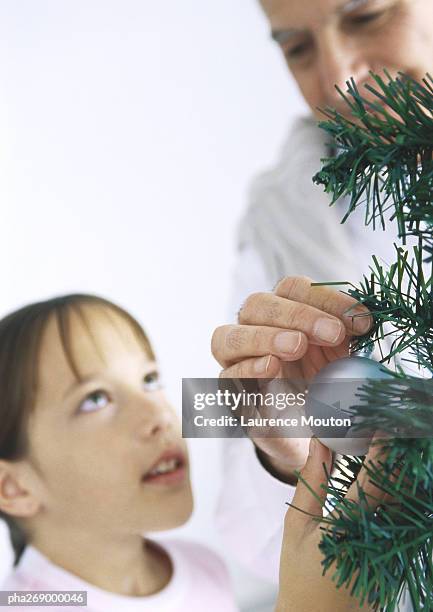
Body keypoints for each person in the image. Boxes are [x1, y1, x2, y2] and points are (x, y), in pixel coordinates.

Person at [213, 0, 433, 608]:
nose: (337, 78)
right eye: (297, 48)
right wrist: (275, 442)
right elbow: (247, 531)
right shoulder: (282, 210)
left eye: (367, 16)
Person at [0, 294, 237, 612]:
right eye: (95, 399)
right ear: (14, 487)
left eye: (149, 380)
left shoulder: (206, 570)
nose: (159, 415)